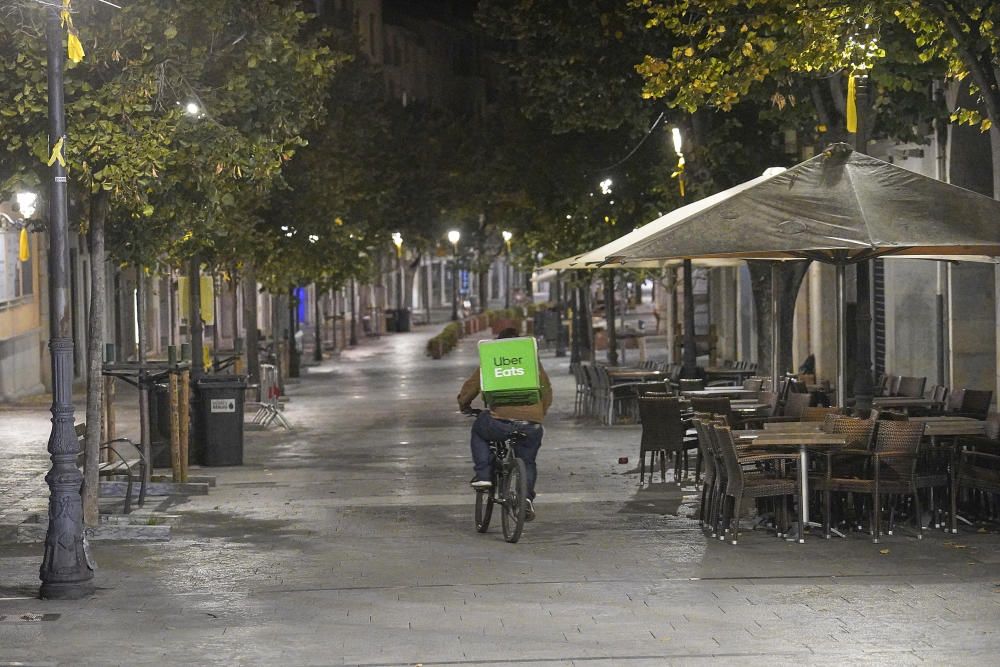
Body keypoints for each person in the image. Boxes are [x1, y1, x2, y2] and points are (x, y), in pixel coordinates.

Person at [457, 327, 552, 521]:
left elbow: (472, 387)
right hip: (532, 424)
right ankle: (525, 499)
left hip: (500, 420)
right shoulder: (531, 361)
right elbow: (547, 390)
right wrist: (538, 414)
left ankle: (484, 475)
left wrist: (463, 404)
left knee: (479, 430)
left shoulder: (493, 358)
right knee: (527, 461)